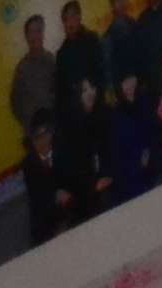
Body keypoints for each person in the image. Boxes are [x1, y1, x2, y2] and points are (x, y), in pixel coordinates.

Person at [55, 76, 112, 221]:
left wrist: (107, 175)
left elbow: (109, 151)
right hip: (83, 190)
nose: (90, 93)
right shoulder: (72, 126)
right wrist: (94, 185)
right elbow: (72, 169)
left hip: (106, 178)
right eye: (85, 90)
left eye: (92, 88)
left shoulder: (102, 114)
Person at [6, 13, 58, 150]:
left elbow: (60, 93)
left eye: (38, 31)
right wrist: (28, 124)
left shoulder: (51, 61)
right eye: (31, 32)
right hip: (32, 136)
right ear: (26, 36)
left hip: (54, 133)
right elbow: (14, 101)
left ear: (42, 33)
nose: (35, 36)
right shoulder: (22, 68)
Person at [105, 71, 159, 202]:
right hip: (130, 178)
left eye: (131, 79)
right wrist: (137, 163)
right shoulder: (115, 117)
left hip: (153, 167)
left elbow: (154, 133)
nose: (129, 85)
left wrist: (148, 152)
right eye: (125, 82)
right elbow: (117, 154)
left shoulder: (145, 102)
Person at [20, 113, 73, 245]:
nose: (43, 141)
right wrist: (54, 196)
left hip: (69, 206)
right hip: (46, 216)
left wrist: (65, 193)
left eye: (46, 134)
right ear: (32, 141)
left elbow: (73, 179)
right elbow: (36, 198)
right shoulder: (29, 164)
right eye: (37, 138)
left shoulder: (62, 150)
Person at [52, 0, 104, 115]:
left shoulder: (92, 40)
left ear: (79, 17)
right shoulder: (61, 54)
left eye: (73, 17)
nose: (70, 23)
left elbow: (101, 73)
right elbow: (60, 91)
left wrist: (90, 93)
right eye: (66, 19)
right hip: (74, 116)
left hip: (96, 111)